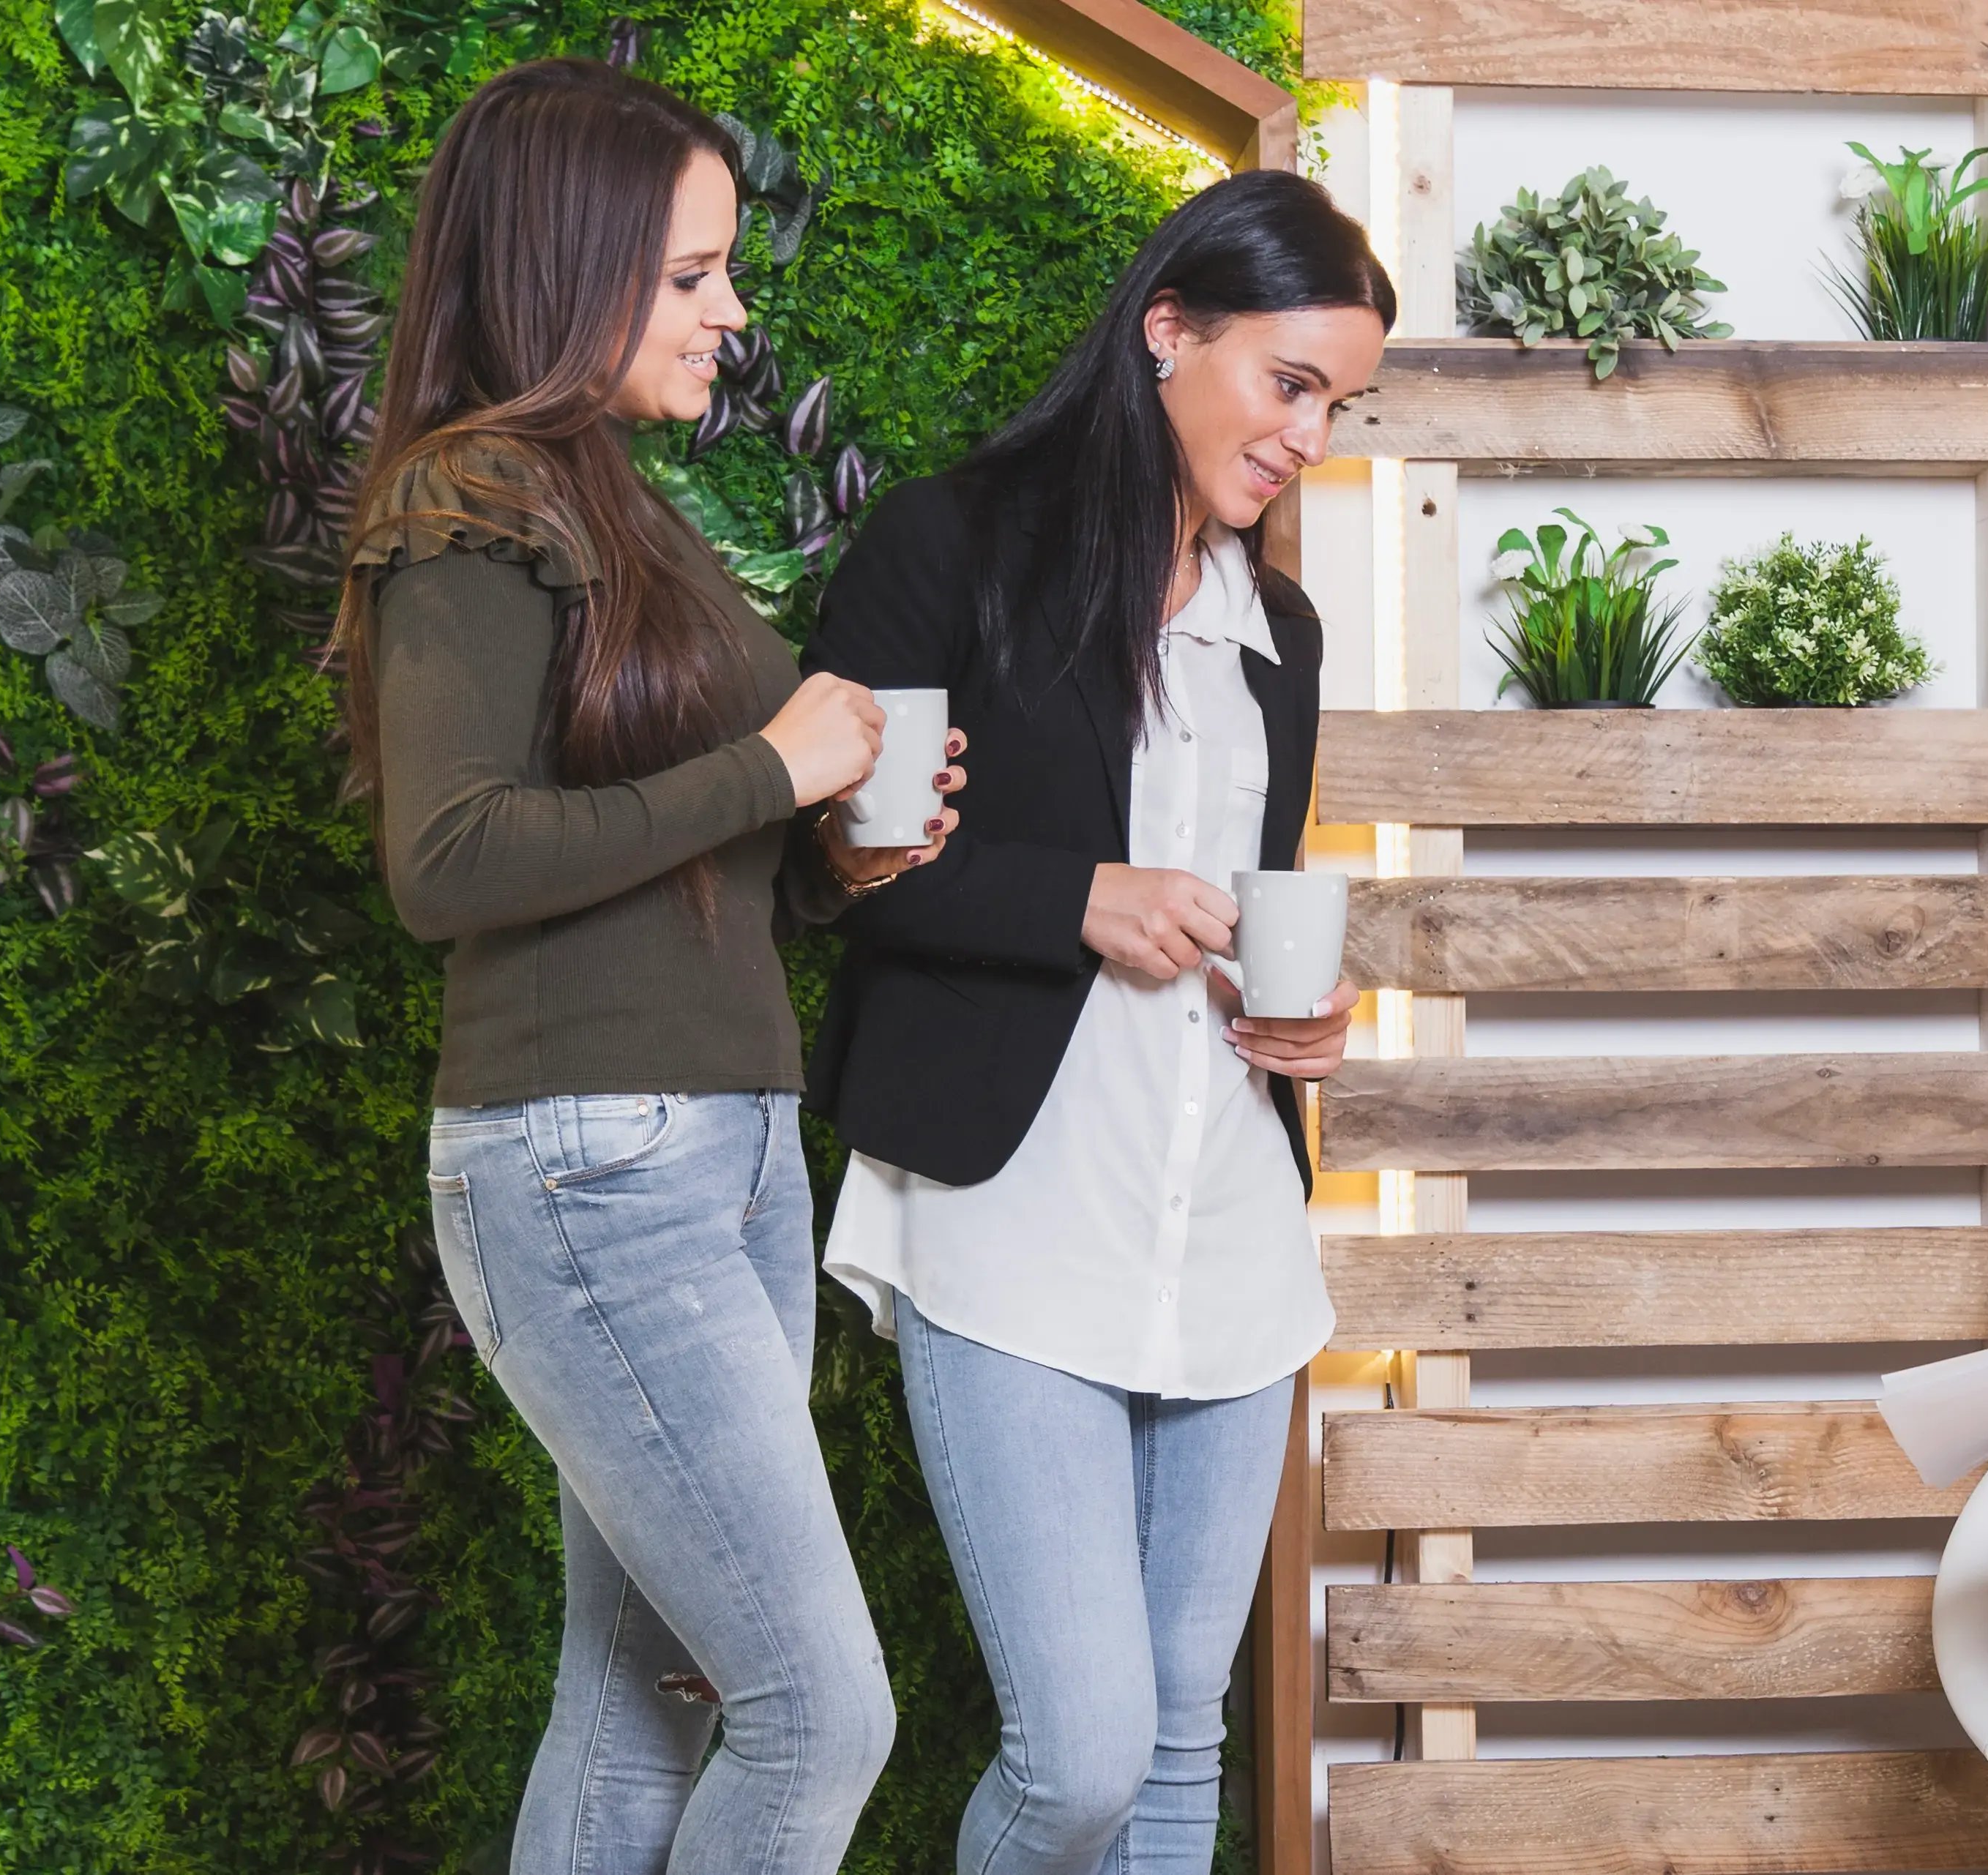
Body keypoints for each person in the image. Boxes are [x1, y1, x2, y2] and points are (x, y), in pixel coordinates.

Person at [337, 59, 963, 1874]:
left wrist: (841, 852)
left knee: (645, 1704)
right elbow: (449, 858)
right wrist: (777, 767)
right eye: (692, 276)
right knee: (820, 1712)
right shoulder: (471, 497)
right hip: (590, 1159)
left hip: (713, 1148)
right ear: (566, 266)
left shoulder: (609, 502)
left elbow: (666, 850)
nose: (733, 312)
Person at [796, 168, 1387, 1875]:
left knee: (1185, 1736)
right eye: (1291, 386)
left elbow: (1249, 905)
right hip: (1013, 1220)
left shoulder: (1282, 628)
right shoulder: (948, 545)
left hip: (1228, 1227)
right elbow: (848, 868)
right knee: (1081, 1761)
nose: (1311, 442)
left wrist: (1302, 1016)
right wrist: (1079, 895)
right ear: (1168, 332)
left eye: (1339, 408)